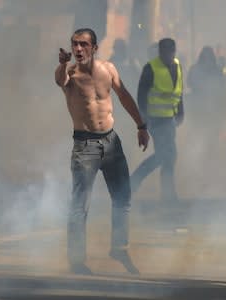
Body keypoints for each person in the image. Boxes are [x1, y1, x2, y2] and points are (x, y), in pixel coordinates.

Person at [55, 28, 149, 275]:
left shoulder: (108, 69)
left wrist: (141, 125)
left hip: (111, 142)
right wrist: (62, 65)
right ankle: (76, 261)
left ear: (94, 48)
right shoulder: (70, 74)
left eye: (83, 44)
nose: (78, 49)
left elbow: (124, 95)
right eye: (74, 44)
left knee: (122, 198)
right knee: (79, 206)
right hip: (85, 146)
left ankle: (119, 247)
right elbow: (59, 81)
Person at [130, 38, 184, 203]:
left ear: (174, 51)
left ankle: (167, 194)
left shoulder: (177, 66)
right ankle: (135, 182)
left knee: (169, 156)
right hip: (155, 119)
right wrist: (143, 120)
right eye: (164, 52)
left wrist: (180, 111)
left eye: (170, 51)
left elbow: (178, 91)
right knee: (165, 155)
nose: (167, 55)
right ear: (160, 52)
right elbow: (141, 95)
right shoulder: (151, 68)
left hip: (169, 119)